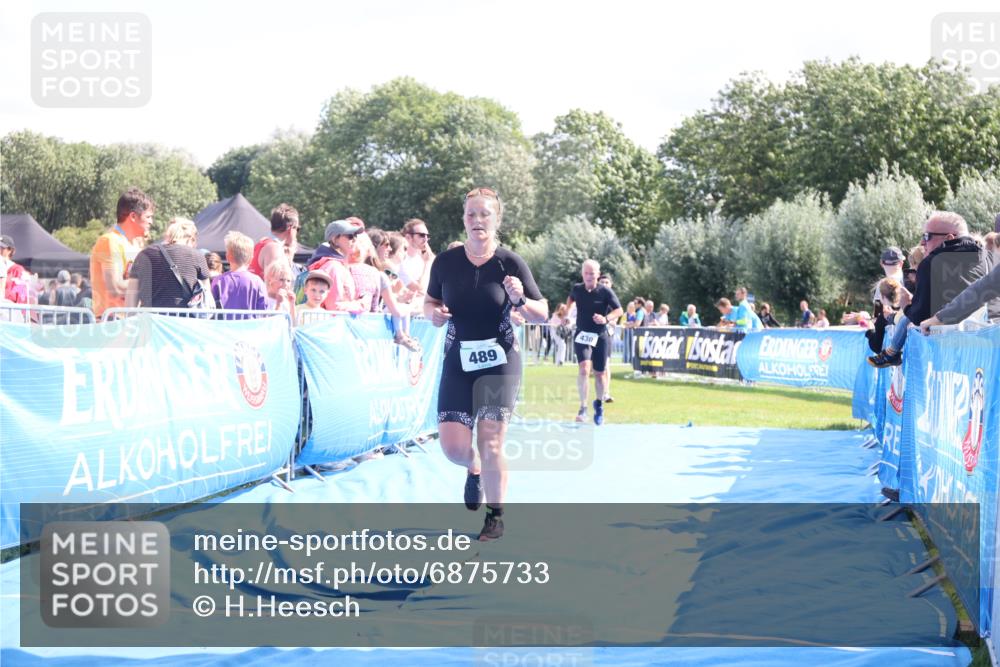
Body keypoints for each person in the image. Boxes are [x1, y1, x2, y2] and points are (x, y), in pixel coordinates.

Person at [424, 187, 547, 541]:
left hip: (500, 361)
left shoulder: (510, 262)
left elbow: (542, 313)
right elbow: (429, 302)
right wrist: (433, 314)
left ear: (496, 219)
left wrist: (519, 300)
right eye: (471, 214)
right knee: (454, 449)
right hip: (458, 361)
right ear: (464, 220)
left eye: (484, 214)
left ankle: (495, 516)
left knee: (491, 441)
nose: (477, 220)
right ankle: (473, 467)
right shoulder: (445, 263)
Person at [870, 211, 996, 367]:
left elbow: (920, 317)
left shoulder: (931, 263)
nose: (922, 242)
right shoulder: (989, 259)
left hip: (947, 356)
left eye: (927, 236)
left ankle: (891, 353)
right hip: (987, 352)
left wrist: (907, 304)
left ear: (949, 238)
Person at [566, 259, 623, 425]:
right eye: (586, 273)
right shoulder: (577, 289)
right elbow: (570, 299)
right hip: (582, 334)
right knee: (584, 369)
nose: (589, 276)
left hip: (600, 335)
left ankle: (598, 404)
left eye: (592, 273)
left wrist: (606, 319)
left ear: (598, 274)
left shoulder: (605, 291)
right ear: (582, 274)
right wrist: (568, 315)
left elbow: (619, 310)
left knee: (599, 373)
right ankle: (583, 408)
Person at [90, 188, 153, 319]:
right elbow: (115, 288)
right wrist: (151, 283)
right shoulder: (109, 241)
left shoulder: (135, 245)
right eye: (148, 217)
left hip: (128, 320)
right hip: (110, 320)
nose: (151, 222)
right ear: (133, 217)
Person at [127, 218, 215, 310]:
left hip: (149, 317)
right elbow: (207, 295)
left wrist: (129, 317)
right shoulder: (197, 256)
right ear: (191, 239)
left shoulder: (145, 254)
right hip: (183, 318)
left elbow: (131, 294)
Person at [308, 219, 367, 313]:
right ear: (335, 240)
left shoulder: (338, 265)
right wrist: (360, 305)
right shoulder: (334, 267)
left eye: (355, 235)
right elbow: (334, 307)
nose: (355, 239)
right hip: (332, 321)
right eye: (350, 236)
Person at [212, 231, 267, 314]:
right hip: (252, 322)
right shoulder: (257, 282)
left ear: (228, 257)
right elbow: (264, 308)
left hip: (224, 322)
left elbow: (211, 307)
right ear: (251, 259)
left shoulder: (218, 281)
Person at [248, 203, 300, 280]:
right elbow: (277, 283)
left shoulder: (262, 244)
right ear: (291, 228)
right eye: (297, 229)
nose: (297, 234)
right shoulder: (274, 248)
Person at [400, 218, 434, 310]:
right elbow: (419, 289)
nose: (426, 239)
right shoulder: (401, 261)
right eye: (421, 235)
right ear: (408, 237)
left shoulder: (428, 259)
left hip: (426, 312)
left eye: (427, 236)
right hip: (408, 312)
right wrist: (427, 263)